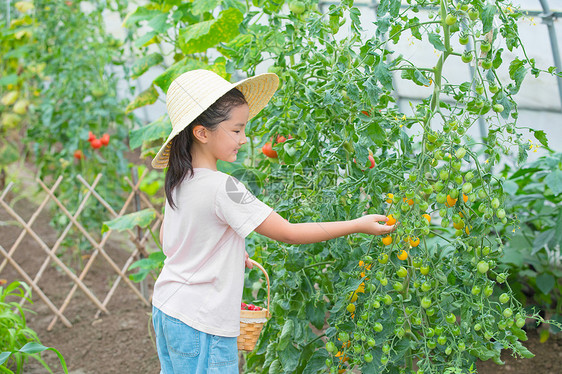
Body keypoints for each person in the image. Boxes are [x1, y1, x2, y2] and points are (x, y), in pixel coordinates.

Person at [151, 69, 395, 373]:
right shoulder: (223, 186)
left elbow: (169, 241)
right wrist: (358, 224)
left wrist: (225, 253)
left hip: (167, 309)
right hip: (203, 321)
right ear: (202, 133)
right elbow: (288, 233)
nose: (245, 138)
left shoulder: (179, 180)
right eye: (237, 130)